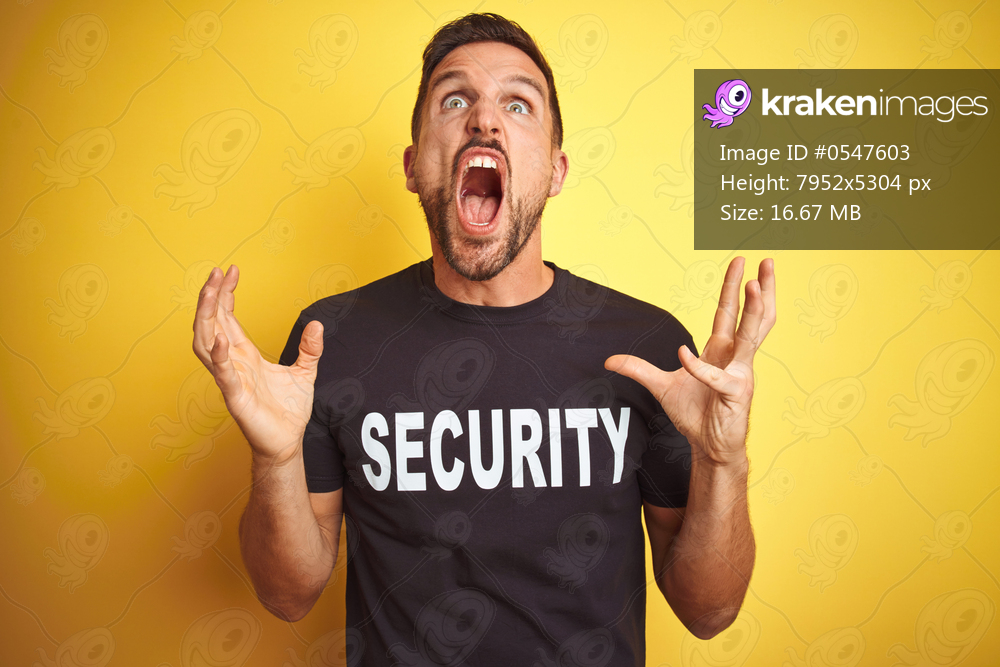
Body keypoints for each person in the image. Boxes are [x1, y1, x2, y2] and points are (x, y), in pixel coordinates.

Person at [192, 13, 776, 665]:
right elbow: (287, 594)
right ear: (414, 166)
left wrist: (724, 460)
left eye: (518, 103)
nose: (485, 121)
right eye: (455, 99)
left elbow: (708, 610)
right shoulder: (329, 343)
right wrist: (275, 461)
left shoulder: (649, 350)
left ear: (555, 170)